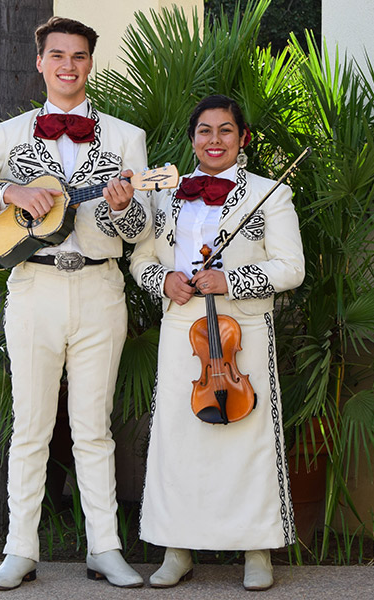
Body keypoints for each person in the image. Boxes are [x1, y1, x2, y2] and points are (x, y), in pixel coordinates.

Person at [0, 16, 150, 590]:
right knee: (29, 426)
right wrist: (9, 190)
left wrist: (125, 204)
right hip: (32, 288)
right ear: (41, 63)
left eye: (78, 56)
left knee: (94, 429)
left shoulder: (125, 138)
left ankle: (105, 548)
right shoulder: (10, 133)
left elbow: (140, 230)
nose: (68, 65)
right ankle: (19, 549)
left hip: (101, 288)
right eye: (57, 55)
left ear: (89, 63)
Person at [130, 94, 305, 591]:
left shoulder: (272, 193)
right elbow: (140, 260)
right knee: (177, 440)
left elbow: (292, 268)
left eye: (225, 130)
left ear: (242, 138)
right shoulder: (164, 196)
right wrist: (163, 281)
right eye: (204, 131)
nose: (214, 140)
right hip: (182, 328)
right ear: (192, 140)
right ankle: (176, 548)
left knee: (247, 441)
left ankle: (256, 551)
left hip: (242, 329)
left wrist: (230, 279)